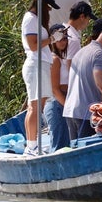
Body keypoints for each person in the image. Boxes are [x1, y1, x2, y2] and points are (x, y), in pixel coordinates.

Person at [63, 26, 102, 139]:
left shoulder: (82, 51)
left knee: (75, 151)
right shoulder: (101, 55)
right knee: (86, 152)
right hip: (85, 113)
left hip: (70, 111)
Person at [21, 0, 61, 156]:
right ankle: (31, 147)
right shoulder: (30, 19)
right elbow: (32, 44)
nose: (50, 10)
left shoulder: (36, 20)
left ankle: (32, 144)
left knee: (38, 106)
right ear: (42, 3)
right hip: (35, 65)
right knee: (35, 106)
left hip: (41, 65)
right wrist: (52, 39)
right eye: (49, 6)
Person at [43, 24, 70, 152]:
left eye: (65, 38)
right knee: (59, 146)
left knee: (65, 144)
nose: (63, 41)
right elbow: (55, 89)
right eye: (59, 38)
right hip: (56, 104)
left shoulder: (61, 58)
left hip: (61, 103)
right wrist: (68, 107)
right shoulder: (54, 59)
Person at [65, 1, 97, 70]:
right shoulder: (73, 39)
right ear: (82, 17)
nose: (88, 23)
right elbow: (71, 68)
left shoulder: (60, 29)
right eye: (88, 19)